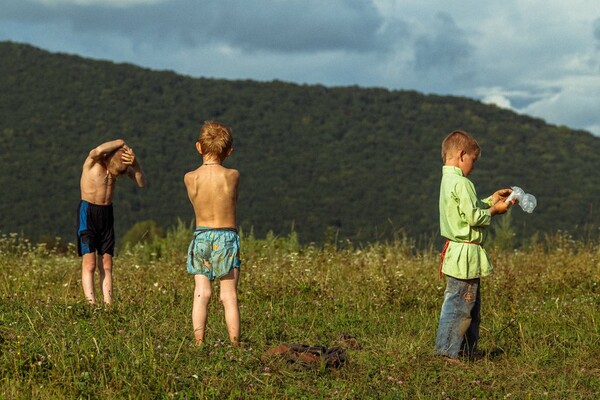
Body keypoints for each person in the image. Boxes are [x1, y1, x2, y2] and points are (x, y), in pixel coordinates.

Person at [434, 130, 513, 361]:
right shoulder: (463, 183)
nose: (473, 166)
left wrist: (491, 199)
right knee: (460, 305)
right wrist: (495, 211)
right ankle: (447, 353)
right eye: (473, 160)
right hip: (465, 255)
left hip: (458, 252)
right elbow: (474, 217)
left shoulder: (448, 181)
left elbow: (471, 207)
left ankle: (466, 351)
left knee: (469, 305)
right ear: (461, 155)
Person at [185, 121, 241, 347]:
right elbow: (234, 201)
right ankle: (235, 345)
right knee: (228, 295)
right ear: (228, 151)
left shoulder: (190, 177)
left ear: (199, 147)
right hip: (226, 236)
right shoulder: (232, 176)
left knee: (201, 293)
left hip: (201, 236)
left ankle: (199, 343)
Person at [77, 139, 145, 305]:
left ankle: (108, 305)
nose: (115, 177)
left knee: (107, 263)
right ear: (108, 161)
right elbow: (97, 150)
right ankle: (91, 303)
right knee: (90, 262)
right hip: (88, 212)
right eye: (114, 173)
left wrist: (135, 166)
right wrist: (121, 142)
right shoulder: (93, 163)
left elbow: (141, 183)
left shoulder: (119, 169)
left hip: (106, 214)